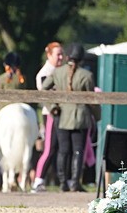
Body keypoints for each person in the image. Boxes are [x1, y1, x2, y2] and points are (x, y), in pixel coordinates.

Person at [40, 42, 99, 192]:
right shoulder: (87, 75)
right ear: (82, 59)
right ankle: (75, 183)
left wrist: (52, 106)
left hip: (61, 116)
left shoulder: (57, 72)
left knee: (63, 151)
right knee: (78, 151)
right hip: (81, 117)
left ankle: (62, 183)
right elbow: (92, 100)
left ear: (67, 57)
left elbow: (43, 90)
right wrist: (97, 116)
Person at [32, 41, 64, 191]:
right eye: (58, 54)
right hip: (50, 113)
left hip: (61, 113)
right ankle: (38, 179)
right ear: (49, 55)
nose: (61, 57)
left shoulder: (58, 70)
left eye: (62, 54)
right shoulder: (45, 73)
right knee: (49, 148)